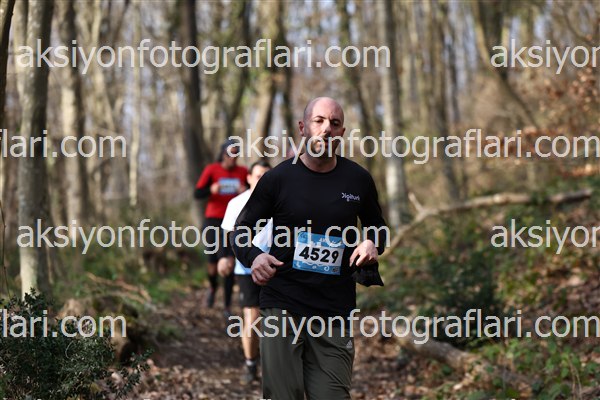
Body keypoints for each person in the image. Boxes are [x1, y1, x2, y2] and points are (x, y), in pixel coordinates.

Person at [231, 97, 387, 399]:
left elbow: (377, 227)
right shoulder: (278, 179)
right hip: (283, 302)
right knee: (283, 395)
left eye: (335, 123)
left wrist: (371, 242)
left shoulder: (358, 180)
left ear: (342, 133)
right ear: (303, 128)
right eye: (319, 121)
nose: (327, 129)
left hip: (334, 308)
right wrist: (254, 256)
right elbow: (240, 231)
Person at [218, 160, 272, 384]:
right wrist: (225, 257)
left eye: (267, 176)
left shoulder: (281, 200)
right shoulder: (237, 203)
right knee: (253, 316)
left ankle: (276, 364)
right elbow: (228, 234)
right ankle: (251, 363)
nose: (262, 180)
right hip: (246, 266)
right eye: (258, 176)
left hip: (277, 264)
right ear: (248, 178)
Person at [194, 139, 247, 315]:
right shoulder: (212, 169)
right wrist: (211, 189)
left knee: (229, 261)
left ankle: (227, 306)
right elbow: (197, 193)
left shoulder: (243, 171)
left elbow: (253, 191)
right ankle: (212, 287)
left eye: (236, 153)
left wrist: (245, 190)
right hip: (213, 220)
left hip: (233, 221)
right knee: (213, 262)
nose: (233, 157)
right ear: (223, 153)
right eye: (230, 153)